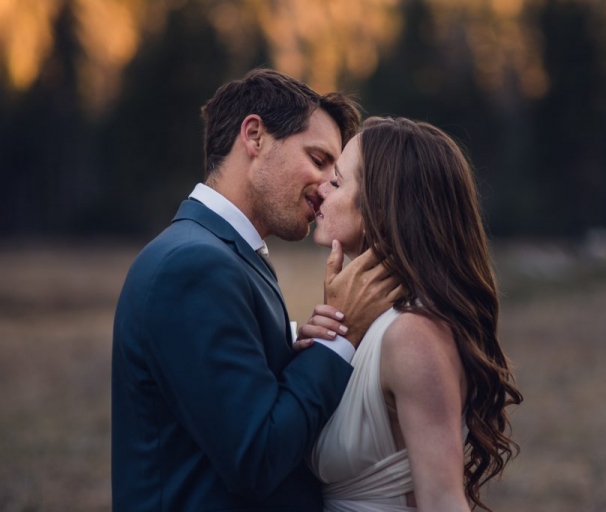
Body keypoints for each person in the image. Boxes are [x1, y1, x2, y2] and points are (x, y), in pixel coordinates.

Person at [111, 69, 400, 511]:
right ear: (255, 136)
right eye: (319, 159)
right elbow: (255, 457)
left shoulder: (224, 255)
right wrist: (339, 341)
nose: (327, 189)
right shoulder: (193, 266)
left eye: (336, 173)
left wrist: (299, 354)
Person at [298, 117, 524, 512]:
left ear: (380, 208)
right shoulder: (368, 325)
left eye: (336, 182)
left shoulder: (413, 335)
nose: (319, 188)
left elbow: (443, 501)